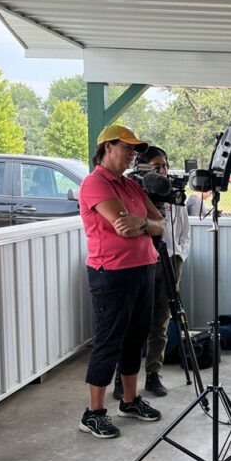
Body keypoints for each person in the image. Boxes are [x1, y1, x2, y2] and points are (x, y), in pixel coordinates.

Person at [78, 125, 166, 439]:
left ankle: (129, 401)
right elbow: (121, 228)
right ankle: (94, 413)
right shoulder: (95, 183)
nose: (132, 154)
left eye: (134, 149)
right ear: (107, 147)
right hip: (111, 272)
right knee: (109, 340)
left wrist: (142, 221)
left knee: (135, 339)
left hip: (143, 270)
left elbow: (159, 224)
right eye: (127, 148)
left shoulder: (131, 186)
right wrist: (144, 224)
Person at [111, 146, 190, 399]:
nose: (163, 171)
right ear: (143, 169)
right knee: (132, 321)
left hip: (172, 259)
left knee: (162, 319)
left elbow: (185, 223)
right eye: (157, 167)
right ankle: (121, 379)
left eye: (165, 165)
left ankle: (153, 373)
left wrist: (181, 253)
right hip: (143, 259)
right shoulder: (135, 191)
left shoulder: (173, 191)